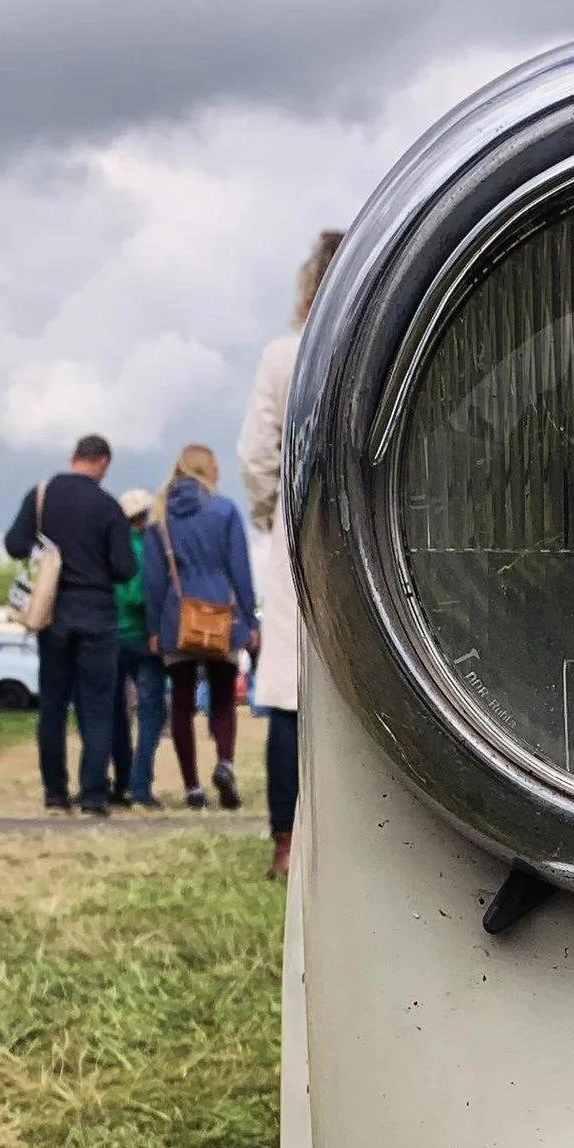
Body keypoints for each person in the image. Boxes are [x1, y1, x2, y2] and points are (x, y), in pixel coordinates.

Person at [238, 228, 340, 876]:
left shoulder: (284, 356)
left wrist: (271, 512)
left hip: (300, 534)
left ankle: (285, 842)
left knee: (288, 695)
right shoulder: (383, 347)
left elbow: (256, 456)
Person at [3, 434, 136, 817]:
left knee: (53, 706)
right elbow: (126, 567)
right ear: (103, 462)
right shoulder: (108, 506)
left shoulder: (42, 495)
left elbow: (14, 544)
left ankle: (55, 793)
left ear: (73, 457)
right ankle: (93, 795)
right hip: (97, 616)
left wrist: (46, 550)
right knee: (96, 709)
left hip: (53, 614)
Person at [142, 445, 257, 813]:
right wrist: (251, 621)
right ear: (207, 469)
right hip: (223, 616)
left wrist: (153, 628)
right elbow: (240, 570)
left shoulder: (159, 517)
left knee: (181, 703)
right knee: (223, 698)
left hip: (177, 618)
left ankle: (192, 787)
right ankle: (224, 763)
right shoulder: (225, 510)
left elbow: (153, 580)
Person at [111, 486, 167, 808]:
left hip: (114, 638)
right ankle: (140, 785)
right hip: (144, 639)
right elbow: (138, 594)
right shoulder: (148, 545)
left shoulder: (113, 546)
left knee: (117, 713)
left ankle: (119, 782)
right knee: (151, 714)